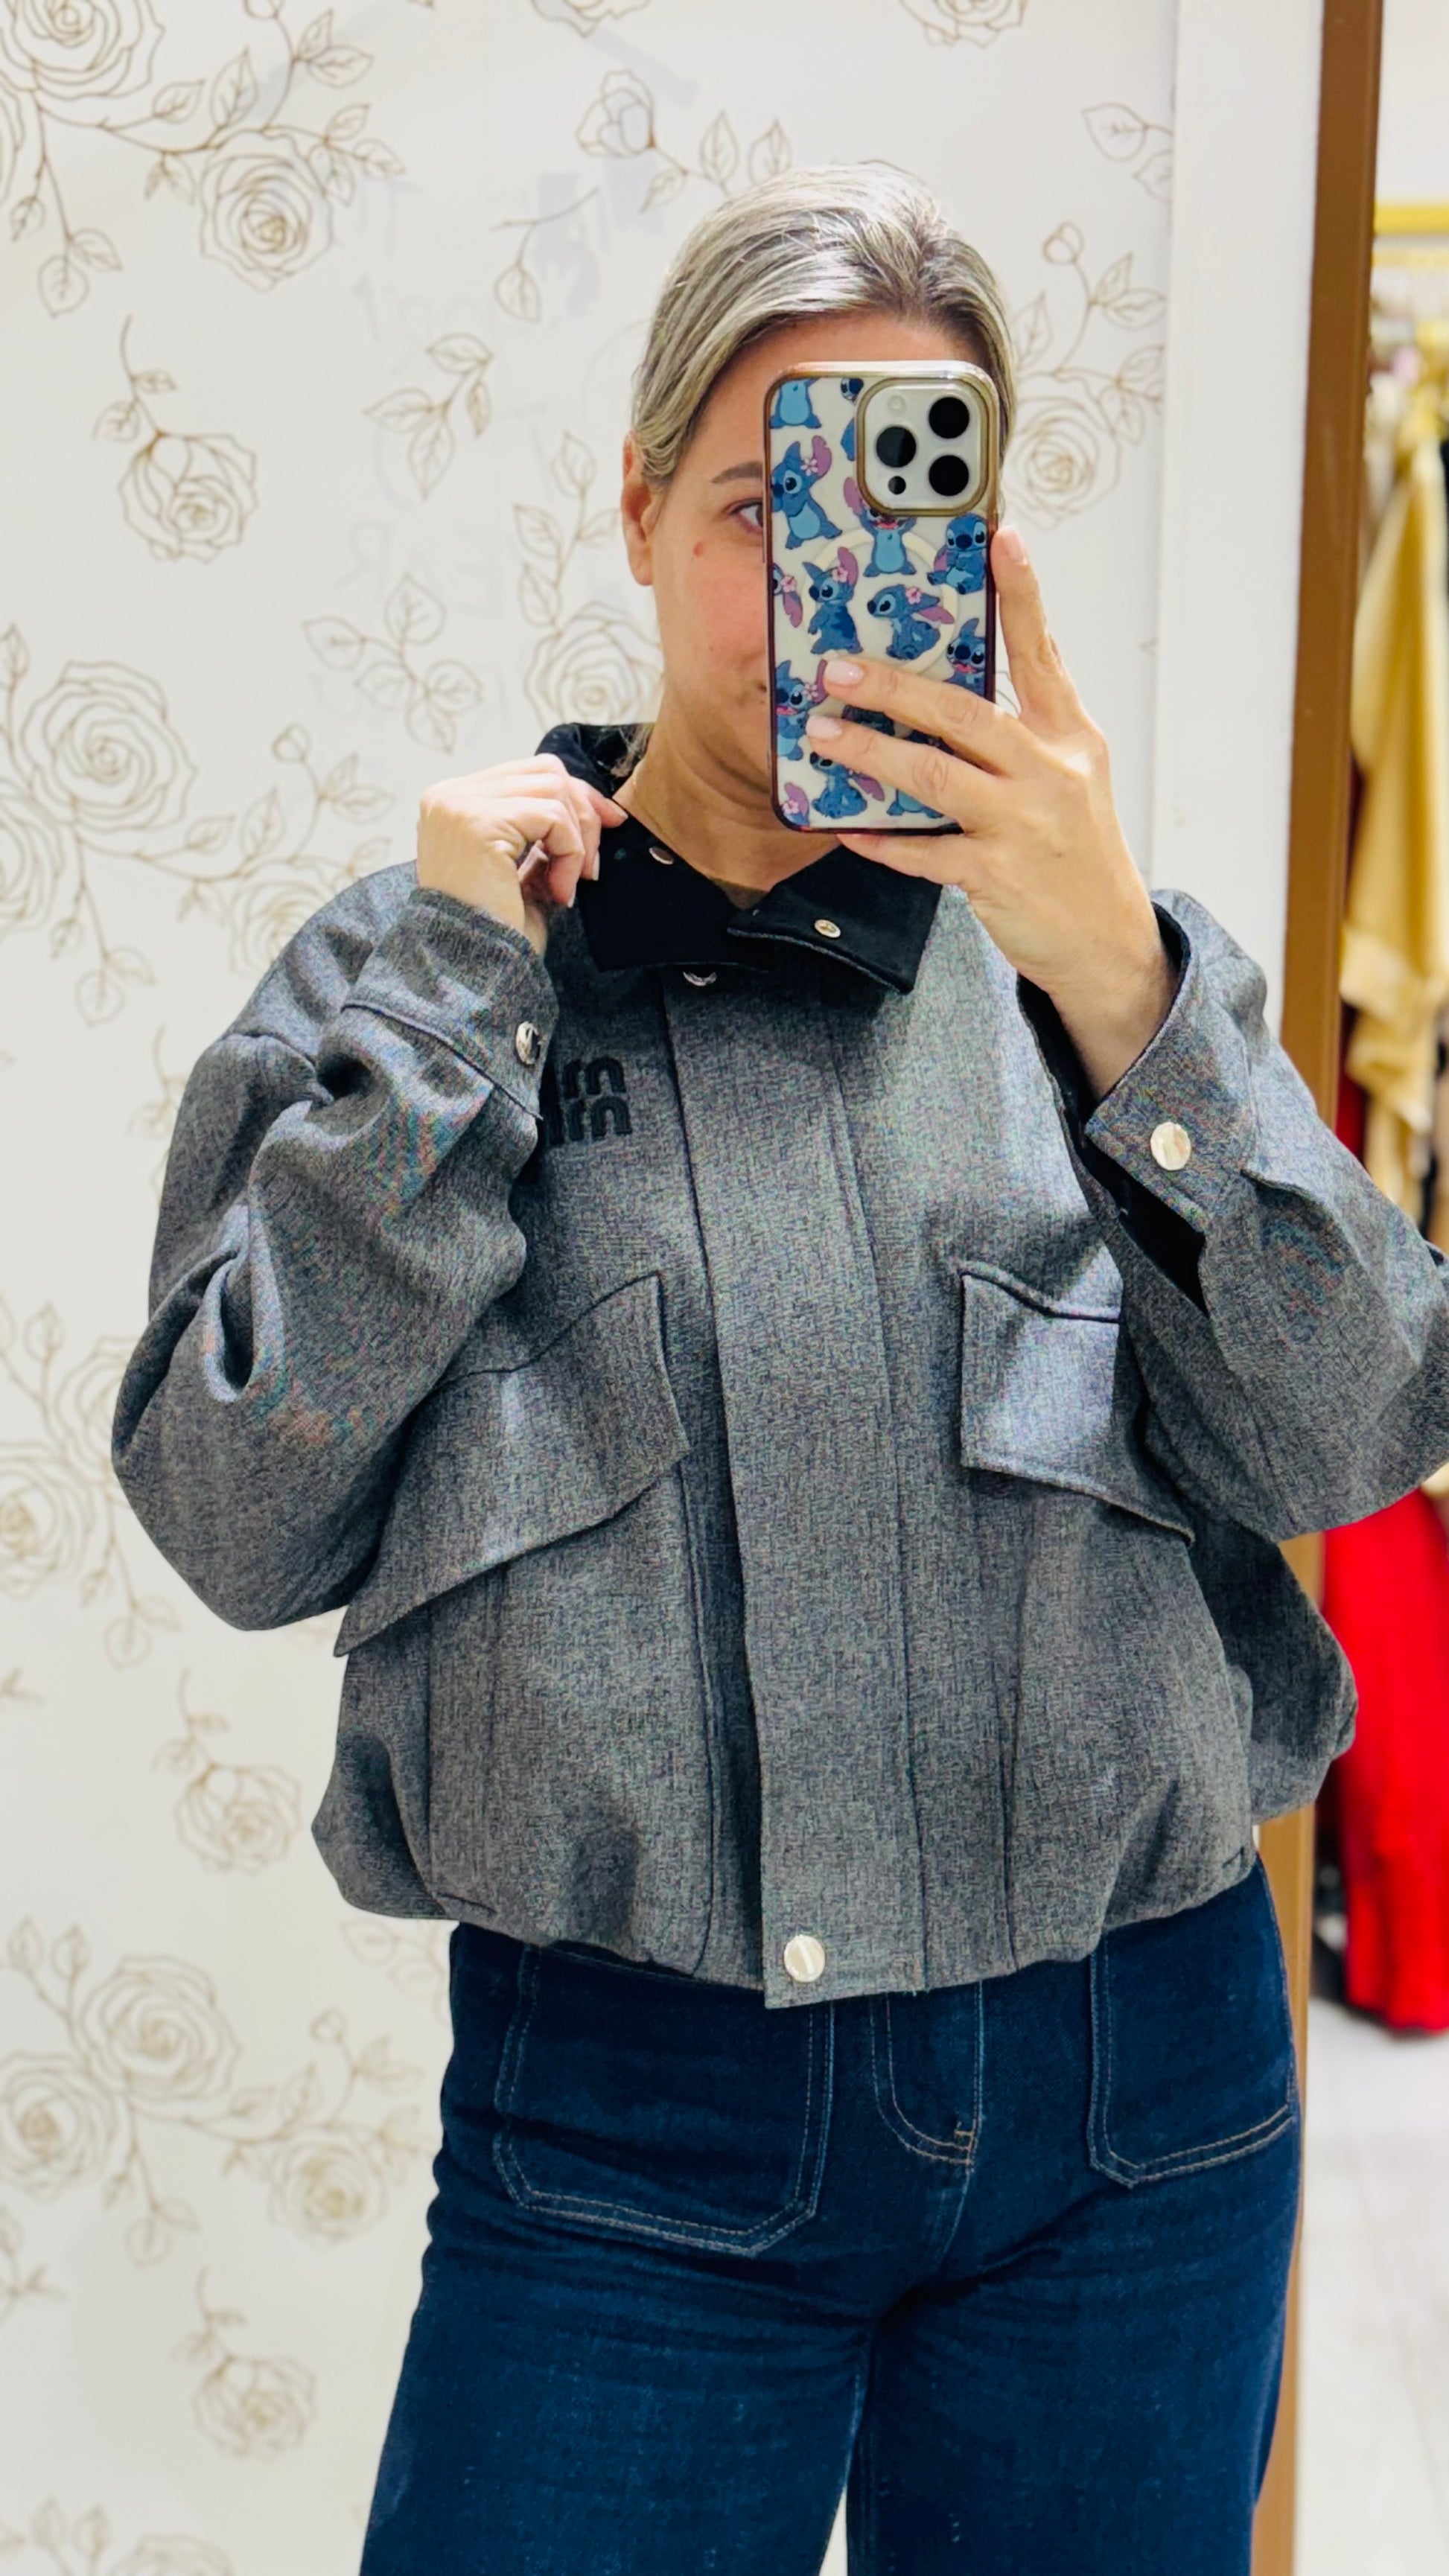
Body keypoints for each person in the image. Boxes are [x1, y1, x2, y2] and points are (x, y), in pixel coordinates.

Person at [111, 166, 1449, 2576]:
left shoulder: (1101, 979)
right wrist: (452, 1002)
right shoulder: (419, 971)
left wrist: (1121, 984)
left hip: (1136, 2105)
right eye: (756, 505)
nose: (810, 582)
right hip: (628, 2129)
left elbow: (1352, 1429)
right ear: (634, 510)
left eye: (891, 507)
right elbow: (232, 1507)